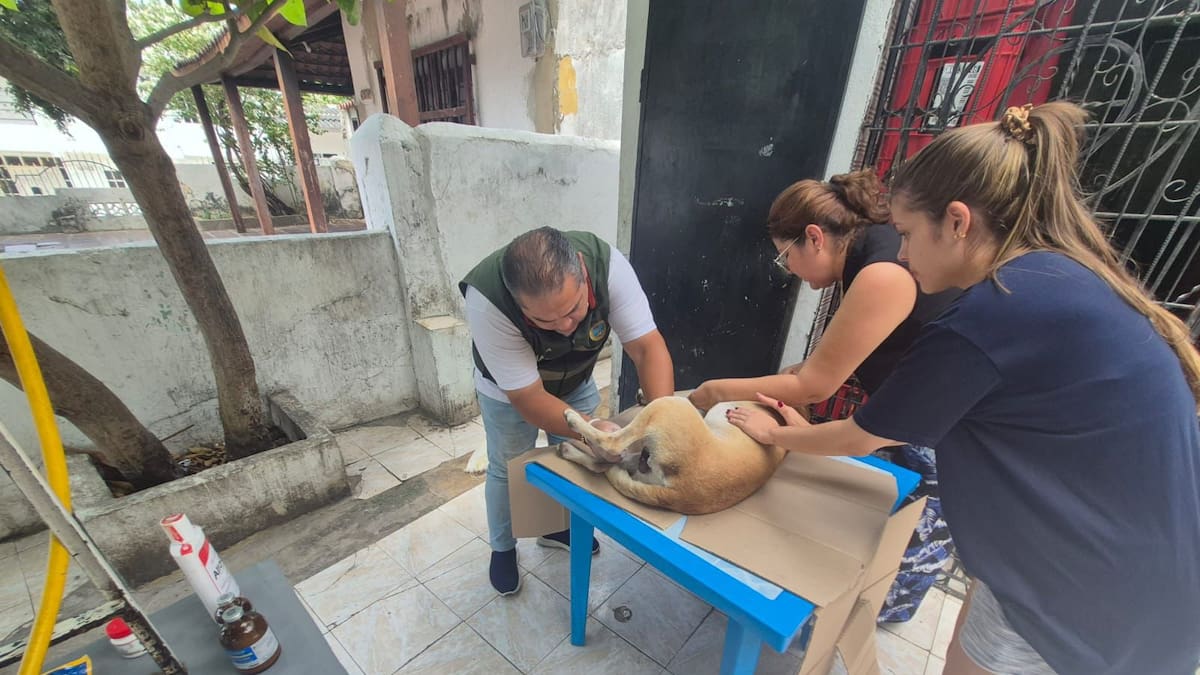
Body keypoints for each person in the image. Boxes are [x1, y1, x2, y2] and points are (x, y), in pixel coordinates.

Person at [727, 102, 1200, 674]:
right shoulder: (1054, 276)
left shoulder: (990, 315)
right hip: (1137, 565)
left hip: (1088, 588)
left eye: (906, 234)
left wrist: (775, 434)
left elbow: (860, 436)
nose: (902, 253)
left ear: (956, 221)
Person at [689, 169, 961, 622]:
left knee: (875, 593)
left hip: (946, 441)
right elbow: (836, 362)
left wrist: (715, 391)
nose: (791, 272)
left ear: (814, 238)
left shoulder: (880, 273)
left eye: (786, 258)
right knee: (868, 535)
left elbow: (816, 388)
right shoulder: (868, 252)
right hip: (909, 418)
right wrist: (799, 375)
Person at [461, 226, 675, 596]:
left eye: (574, 309)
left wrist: (662, 424)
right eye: (544, 321)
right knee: (510, 466)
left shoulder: (609, 268)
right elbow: (529, 398)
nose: (563, 327)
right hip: (509, 391)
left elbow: (646, 348)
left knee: (573, 458)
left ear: (581, 269)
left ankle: (554, 527)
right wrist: (592, 428)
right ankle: (503, 548)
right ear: (518, 302)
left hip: (574, 376)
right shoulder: (488, 303)